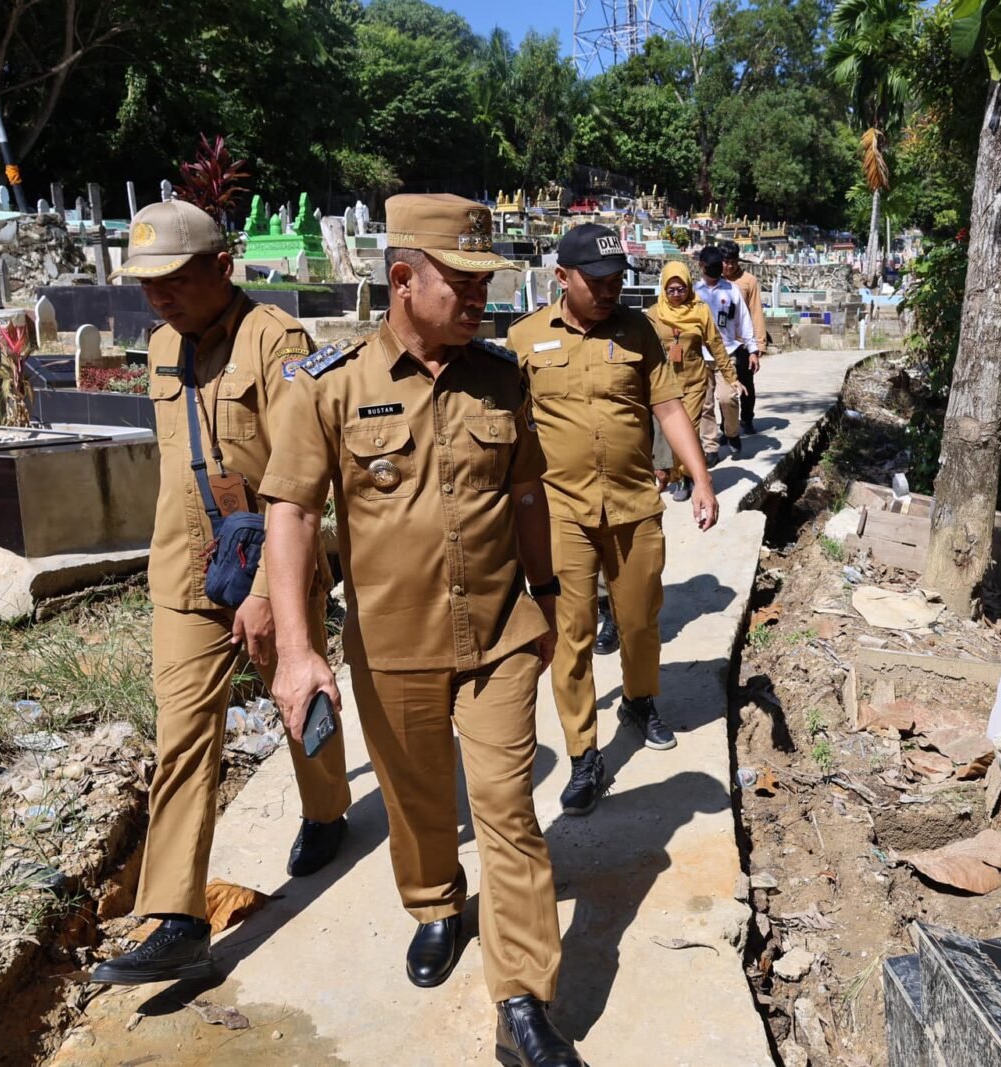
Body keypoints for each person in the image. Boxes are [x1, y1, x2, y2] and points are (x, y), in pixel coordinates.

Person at [262, 194, 582, 1066]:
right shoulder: (330, 385)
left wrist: (549, 595)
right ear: (403, 278)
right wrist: (297, 650)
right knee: (417, 798)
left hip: (500, 634)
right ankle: (436, 901)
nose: (482, 296)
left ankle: (522, 1001)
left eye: (486, 280)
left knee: (508, 810)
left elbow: (526, 494)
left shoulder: (502, 378)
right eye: (463, 281)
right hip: (392, 641)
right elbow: (292, 512)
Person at [89, 201, 351, 985]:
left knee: (296, 697)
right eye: (147, 284)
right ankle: (176, 917)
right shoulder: (160, 345)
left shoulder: (277, 342)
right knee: (182, 737)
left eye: (174, 278)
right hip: (185, 570)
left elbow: (301, 478)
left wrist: (271, 589)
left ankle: (328, 808)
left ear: (222, 267)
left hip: (271, 565)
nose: (158, 296)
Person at [507, 223, 719, 818]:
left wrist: (701, 479)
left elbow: (668, 406)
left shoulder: (639, 331)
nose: (609, 291)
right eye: (596, 281)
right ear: (562, 277)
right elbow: (507, 427)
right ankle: (583, 753)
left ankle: (639, 700)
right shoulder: (524, 338)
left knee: (640, 621)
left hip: (633, 505)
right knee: (570, 633)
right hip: (562, 512)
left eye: (616, 281)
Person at [646, 260, 743, 500]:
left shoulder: (699, 310)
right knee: (670, 433)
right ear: (663, 289)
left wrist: (731, 377)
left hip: (694, 381)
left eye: (681, 289)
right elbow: (644, 348)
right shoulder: (654, 313)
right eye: (671, 290)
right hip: (666, 383)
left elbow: (716, 344)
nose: (676, 295)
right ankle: (680, 476)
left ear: (689, 287)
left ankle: (688, 475)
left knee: (687, 429)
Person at [692, 245, 758, 457]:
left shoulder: (731, 290)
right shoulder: (694, 292)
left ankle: (731, 432)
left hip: (727, 352)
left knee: (727, 398)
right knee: (705, 404)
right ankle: (710, 447)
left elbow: (744, 320)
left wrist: (753, 349)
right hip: (701, 355)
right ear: (701, 266)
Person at [719, 240, 767, 433]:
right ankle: (727, 425)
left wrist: (759, 344)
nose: (730, 266)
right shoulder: (714, 281)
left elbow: (756, 312)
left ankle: (747, 418)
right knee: (726, 386)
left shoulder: (749, 281)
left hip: (744, 343)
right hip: (723, 343)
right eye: (726, 262)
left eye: (733, 262)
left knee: (746, 383)